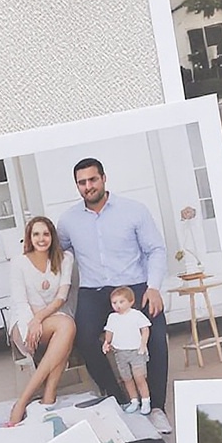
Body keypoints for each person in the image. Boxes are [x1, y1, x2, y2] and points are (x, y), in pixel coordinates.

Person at [59, 156, 170, 428]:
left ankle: (156, 407)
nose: (88, 186)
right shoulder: (68, 221)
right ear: (77, 186)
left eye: (92, 179)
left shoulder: (134, 210)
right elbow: (57, 254)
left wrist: (153, 287)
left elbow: (155, 249)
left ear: (104, 178)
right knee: (84, 337)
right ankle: (119, 399)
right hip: (94, 291)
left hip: (133, 287)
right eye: (82, 182)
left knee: (155, 336)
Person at [3, 215, 77, 427]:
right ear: (29, 237)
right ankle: (38, 397)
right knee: (66, 330)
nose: (41, 238)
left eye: (46, 234)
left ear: (52, 236)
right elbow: (20, 301)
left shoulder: (65, 259)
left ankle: (36, 398)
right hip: (23, 319)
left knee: (67, 327)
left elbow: (61, 297)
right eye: (36, 234)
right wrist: (31, 324)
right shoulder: (19, 263)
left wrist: (39, 319)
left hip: (49, 318)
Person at [102, 284, 154, 415]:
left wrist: (143, 344)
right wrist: (107, 342)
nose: (117, 305)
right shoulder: (112, 317)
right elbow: (109, 331)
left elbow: (145, 329)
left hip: (136, 351)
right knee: (126, 378)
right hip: (120, 352)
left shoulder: (136, 315)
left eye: (121, 301)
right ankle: (134, 400)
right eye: (114, 302)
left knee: (139, 377)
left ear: (131, 301)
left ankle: (146, 400)